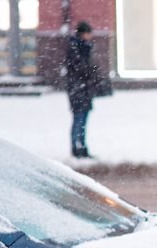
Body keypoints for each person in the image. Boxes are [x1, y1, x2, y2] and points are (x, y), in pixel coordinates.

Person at [65, 21, 99, 158]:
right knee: (79, 119)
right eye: (89, 33)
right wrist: (90, 74)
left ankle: (82, 147)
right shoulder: (77, 48)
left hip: (82, 89)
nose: (91, 36)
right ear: (83, 33)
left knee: (83, 119)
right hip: (78, 89)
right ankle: (76, 148)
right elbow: (80, 68)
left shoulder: (85, 47)